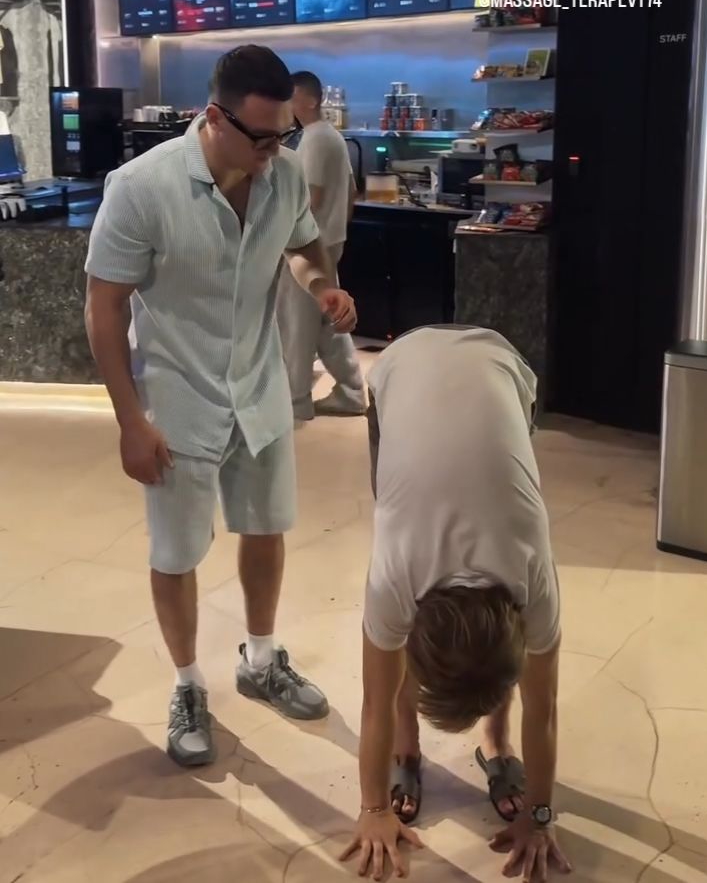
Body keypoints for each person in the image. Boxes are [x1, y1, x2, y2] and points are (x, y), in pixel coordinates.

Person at [84, 46, 357, 768]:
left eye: (283, 135)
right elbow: (104, 307)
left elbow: (303, 248)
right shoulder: (142, 188)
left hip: (259, 386)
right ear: (214, 117)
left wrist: (320, 286)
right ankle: (186, 684)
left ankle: (261, 660)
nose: (274, 151)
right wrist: (130, 421)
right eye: (261, 137)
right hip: (177, 397)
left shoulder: (283, 175)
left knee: (266, 528)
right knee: (176, 552)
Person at [341, 327, 572, 882]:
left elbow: (542, 708)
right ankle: (407, 746)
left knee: (484, 668)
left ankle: (496, 741)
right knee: (394, 651)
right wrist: (372, 809)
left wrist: (540, 816)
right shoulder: (397, 572)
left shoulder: (531, 576)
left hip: (501, 366)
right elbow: (375, 700)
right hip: (399, 365)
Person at [276, 70, 365, 421]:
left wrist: (285, 235)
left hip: (309, 245)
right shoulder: (332, 136)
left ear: (311, 100)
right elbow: (351, 191)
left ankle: (295, 401)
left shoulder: (314, 139)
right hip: (328, 241)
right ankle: (352, 390)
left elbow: (309, 198)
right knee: (329, 319)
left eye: (291, 96)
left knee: (296, 323)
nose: (286, 103)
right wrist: (337, 229)